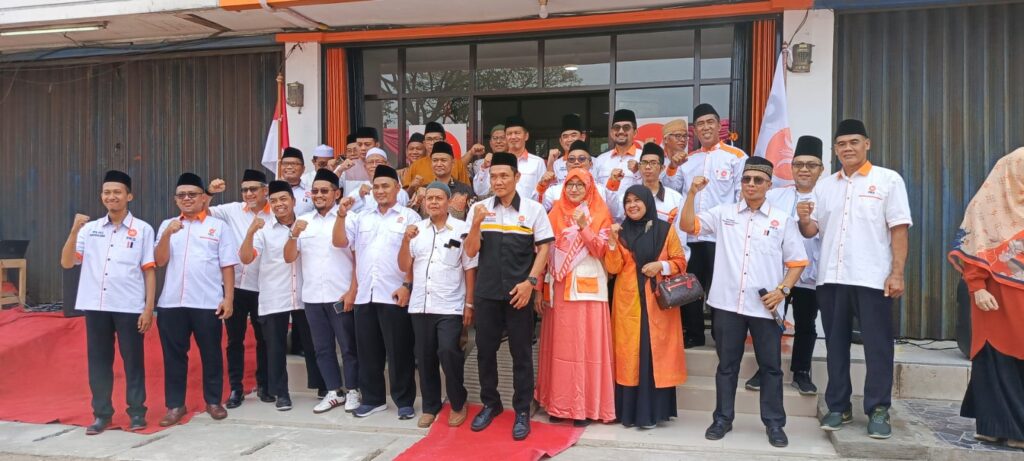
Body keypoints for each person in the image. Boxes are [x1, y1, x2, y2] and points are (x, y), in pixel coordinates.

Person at [679, 157, 808, 448]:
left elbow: (797, 262)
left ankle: (774, 423)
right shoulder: (724, 213)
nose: (751, 184)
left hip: (765, 307)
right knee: (727, 366)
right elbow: (689, 225)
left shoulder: (781, 220)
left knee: (771, 367)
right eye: (747, 179)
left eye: (758, 180)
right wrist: (692, 194)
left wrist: (783, 290)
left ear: (768, 185)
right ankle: (722, 419)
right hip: (727, 305)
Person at [797, 119, 912, 439]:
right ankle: (838, 406)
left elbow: (899, 229)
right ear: (835, 150)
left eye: (854, 142)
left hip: (872, 278)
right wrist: (804, 220)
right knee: (835, 345)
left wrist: (897, 273)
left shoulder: (887, 180)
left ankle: (878, 409)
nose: (847, 148)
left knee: (877, 346)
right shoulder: (825, 187)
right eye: (841, 144)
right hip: (831, 278)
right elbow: (812, 231)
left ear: (867, 144)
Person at [464, 152, 554, 441]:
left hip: (519, 294)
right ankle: (491, 404)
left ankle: (522, 410)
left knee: (521, 354)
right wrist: (476, 224)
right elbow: (470, 251)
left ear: (517, 177)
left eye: (504, 176)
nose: (498, 181)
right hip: (487, 293)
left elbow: (544, 248)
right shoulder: (478, 208)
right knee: (485, 352)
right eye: (494, 176)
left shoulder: (533, 209)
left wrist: (531, 283)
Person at [60, 170, 156, 435]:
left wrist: (148, 308)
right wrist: (74, 229)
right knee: (99, 363)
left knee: (133, 362)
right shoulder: (89, 230)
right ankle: (101, 414)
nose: (111, 197)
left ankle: (137, 412)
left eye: (117, 192)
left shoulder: (143, 229)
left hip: (129, 306)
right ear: (101, 196)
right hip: (96, 306)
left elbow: (149, 270)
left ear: (129, 196)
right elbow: (67, 262)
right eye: (107, 192)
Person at [949, 147, 1024, 450]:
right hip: (995, 297)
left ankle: (997, 426)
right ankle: (1007, 430)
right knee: (994, 358)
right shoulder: (988, 204)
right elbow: (975, 248)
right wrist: (977, 286)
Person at [334, 164, 420, 420]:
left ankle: (404, 401)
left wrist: (407, 285)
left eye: (386, 186)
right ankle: (373, 400)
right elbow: (340, 242)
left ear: (398, 188)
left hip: (394, 294)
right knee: (368, 352)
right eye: (376, 187)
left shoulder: (410, 217)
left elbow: (416, 257)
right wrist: (341, 216)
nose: (380, 191)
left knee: (399, 352)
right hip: (366, 295)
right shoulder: (361, 217)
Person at [154, 172, 238, 426]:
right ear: (175, 200)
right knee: (174, 356)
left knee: (211, 354)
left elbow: (227, 265)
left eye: (192, 194)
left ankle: (213, 401)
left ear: (203, 198)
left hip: (206, 301)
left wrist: (229, 298)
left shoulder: (218, 226)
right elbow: (159, 260)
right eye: (182, 195)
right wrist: (167, 235)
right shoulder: (167, 225)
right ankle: (175, 405)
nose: (187, 199)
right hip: (172, 303)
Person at [536, 168, 616, 427]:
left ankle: (586, 406)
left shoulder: (600, 213)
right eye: (570, 184)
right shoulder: (554, 213)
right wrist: (538, 288)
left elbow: (601, 250)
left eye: (580, 185)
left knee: (585, 348)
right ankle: (559, 404)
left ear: (589, 188)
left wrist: (584, 226)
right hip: (558, 289)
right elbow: (542, 253)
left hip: (588, 292)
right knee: (560, 349)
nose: (574, 189)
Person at [604, 185, 688, 429]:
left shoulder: (665, 229)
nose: (632, 205)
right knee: (629, 356)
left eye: (637, 200)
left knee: (654, 355)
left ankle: (654, 413)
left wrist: (660, 266)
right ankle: (630, 414)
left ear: (648, 203)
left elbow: (680, 261)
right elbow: (613, 268)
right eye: (628, 201)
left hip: (657, 302)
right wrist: (611, 242)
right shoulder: (620, 232)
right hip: (628, 302)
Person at [746, 136, 825, 394]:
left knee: (806, 323)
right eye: (799, 164)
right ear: (791, 167)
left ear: (821, 169)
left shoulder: (827, 197)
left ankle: (801, 372)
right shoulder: (775, 196)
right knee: (770, 323)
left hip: (809, 274)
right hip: (776, 273)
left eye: (811, 165)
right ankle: (766, 368)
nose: (804, 169)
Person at [398, 181, 478, 428]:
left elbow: (470, 268)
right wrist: (405, 241)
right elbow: (404, 266)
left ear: (448, 201)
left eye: (438, 198)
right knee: (424, 357)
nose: (433, 202)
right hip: (421, 305)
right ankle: (430, 406)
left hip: (450, 305)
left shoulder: (462, 230)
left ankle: (457, 402)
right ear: (423, 203)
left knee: (448, 352)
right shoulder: (416, 231)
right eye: (429, 198)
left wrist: (469, 304)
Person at [285, 169, 363, 414]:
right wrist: (293, 234)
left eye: (324, 191)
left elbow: (358, 258)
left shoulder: (351, 219)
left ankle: (353, 390)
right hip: (312, 296)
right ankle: (333, 391)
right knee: (322, 348)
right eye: (315, 191)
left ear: (336, 193)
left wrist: (352, 291)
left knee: (348, 347)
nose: (318, 195)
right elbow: (289, 257)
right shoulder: (303, 221)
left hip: (340, 295)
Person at [674, 103, 747, 348]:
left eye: (710, 122)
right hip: (691, 236)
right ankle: (694, 333)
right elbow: (672, 190)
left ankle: (720, 334)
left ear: (719, 125)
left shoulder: (736, 157)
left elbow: (740, 196)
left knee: (720, 287)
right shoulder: (687, 160)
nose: (705, 127)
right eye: (700, 124)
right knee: (690, 287)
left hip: (721, 236)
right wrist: (672, 165)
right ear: (694, 130)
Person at [205, 170, 273, 408]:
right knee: (235, 339)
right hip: (234, 287)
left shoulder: (275, 213)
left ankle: (265, 385)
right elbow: (202, 209)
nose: (249, 194)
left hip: (263, 286)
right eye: (245, 190)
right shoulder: (232, 210)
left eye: (253, 189)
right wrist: (210, 192)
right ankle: (236, 388)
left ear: (265, 190)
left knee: (264, 339)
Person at [238, 180, 308, 412]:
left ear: (293, 201)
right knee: (275, 349)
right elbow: (246, 258)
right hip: (274, 295)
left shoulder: (308, 224)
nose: (279, 204)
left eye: (283, 199)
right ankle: (282, 394)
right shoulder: (264, 230)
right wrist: (250, 233)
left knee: (314, 344)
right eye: (274, 200)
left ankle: (324, 388)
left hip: (305, 295)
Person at [472, 116, 546, 199]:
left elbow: (544, 193)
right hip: (501, 207)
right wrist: (485, 168)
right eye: (509, 134)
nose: (513, 137)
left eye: (517, 133)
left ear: (526, 136)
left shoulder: (537, 162)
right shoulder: (497, 161)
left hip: (528, 207)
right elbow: (480, 191)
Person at [534, 140, 615, 213]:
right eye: (572, 159)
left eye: (582, 159)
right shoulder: (555, 190)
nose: (576, 162)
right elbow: (536, 210)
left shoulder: (600, 190)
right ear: (566, 165)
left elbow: (614, 214)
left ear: (590, 164)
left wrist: (613, 183)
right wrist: (541, 187)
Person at [411, 141, 474, 220]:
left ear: (453, 163)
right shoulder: (422, 190)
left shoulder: (465, 190)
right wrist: (417, 202)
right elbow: (410, 217)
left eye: (443, 160)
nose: (439, 164)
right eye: (435, 160)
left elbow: (473, 219)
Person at [402, 122, 471, 189]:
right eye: (429, 139)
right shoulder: (415, 166)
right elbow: (404, 195)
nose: (432, 143)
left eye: (436, 139)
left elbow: (467, 190)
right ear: (424, 143)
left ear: (445, 142)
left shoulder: (457, 164)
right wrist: (411, 187)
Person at [346, 148, 410, 213]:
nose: (374, 165)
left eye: (378, 162)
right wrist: (360, 195)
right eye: (370, 162)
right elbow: (346, 211)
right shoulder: (356, 192)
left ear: (387, 165)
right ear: (365, 166)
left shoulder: (399, 192)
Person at [593, 109, 641, 189]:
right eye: (616, 128)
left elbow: (651, 187)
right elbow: (594, 189)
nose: (621, 131)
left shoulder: (643, 158)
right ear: (612, 133)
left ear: (635, 132)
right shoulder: (600, 160)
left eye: (626, 128)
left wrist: (637, 172)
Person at [547, 113, 587, 184]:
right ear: (561, 141)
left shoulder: (595, 162)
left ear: (582, 137)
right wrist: (550, 164)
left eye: (573, 135)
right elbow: (551, 187)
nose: (569, 139)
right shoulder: (556, 164)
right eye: (565, 136)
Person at [279, 147, 314, 215]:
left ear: (303, 169)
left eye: (294, 164)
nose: (289, 167)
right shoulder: (271, 191)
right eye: (285, 163)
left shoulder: (312, 193)